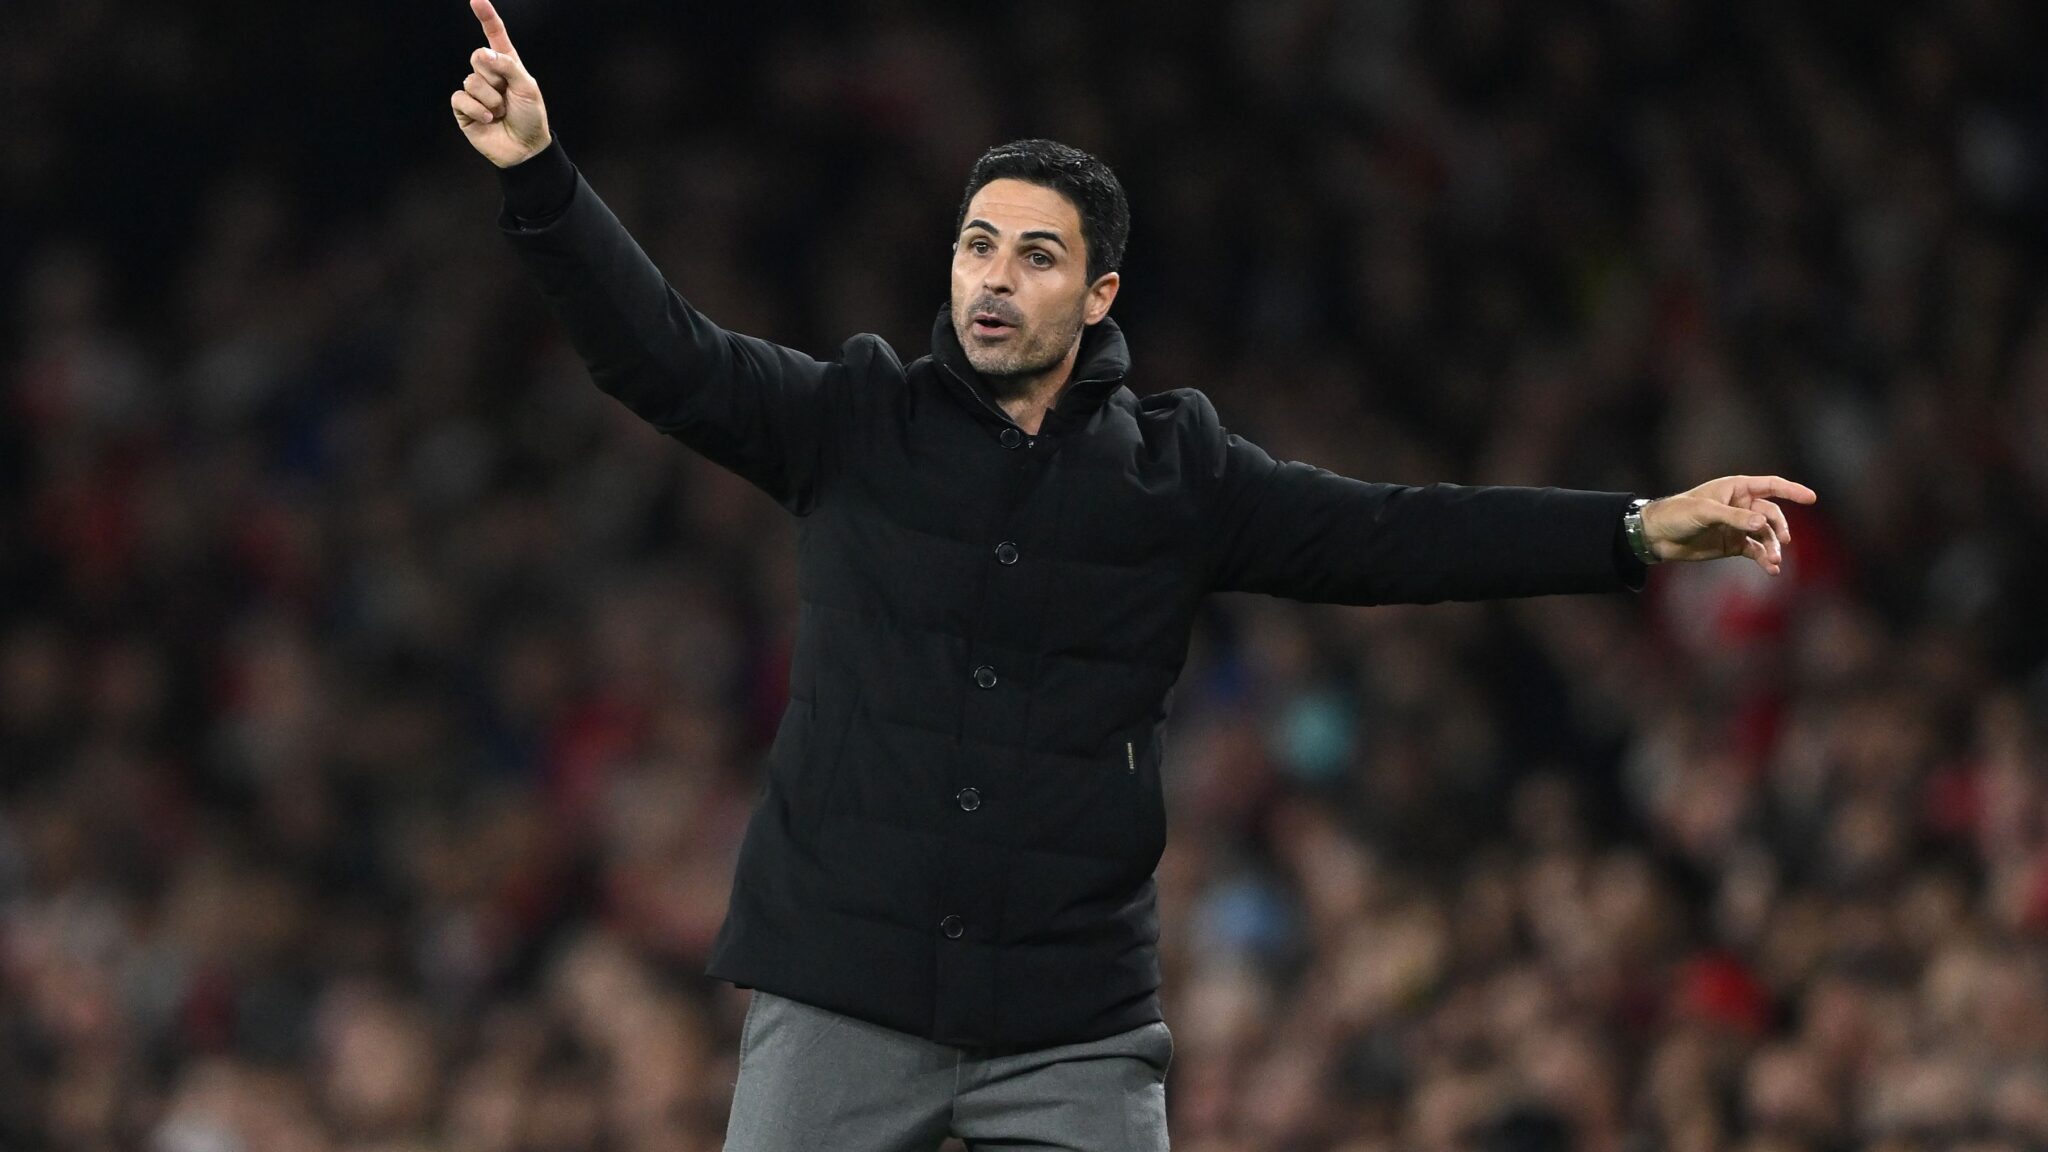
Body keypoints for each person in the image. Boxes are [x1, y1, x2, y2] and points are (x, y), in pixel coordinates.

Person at [448, 2, 1816, 1147]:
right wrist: (543, 181)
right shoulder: (854, 421)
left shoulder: (1178, 474)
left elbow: (1397, 534)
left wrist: (1633, 528)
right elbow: (664, 355)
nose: (993, 279)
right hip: (841, 992)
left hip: (1069, 1026)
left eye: (1036, 256)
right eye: (977, 246)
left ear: (1099, 294)